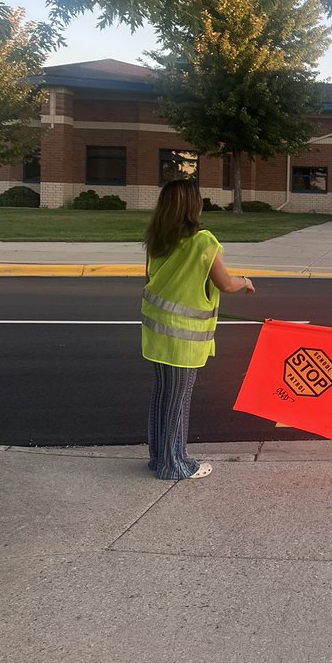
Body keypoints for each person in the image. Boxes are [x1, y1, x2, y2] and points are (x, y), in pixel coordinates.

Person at [141, 180, 255, 480]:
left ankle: (159, 457)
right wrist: (244, 280)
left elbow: (151, 280)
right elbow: (225, 283)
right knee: (178, 401)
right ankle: (174, 464)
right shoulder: (203, 242)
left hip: (156, 334)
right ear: (193, 206)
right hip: (183, 339)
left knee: (163, 396)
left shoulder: (157, 240)